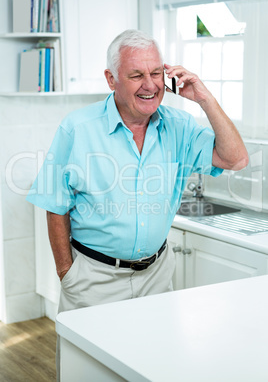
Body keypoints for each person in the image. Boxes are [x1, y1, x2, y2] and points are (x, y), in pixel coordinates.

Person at [27, 29, 248, 313]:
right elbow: (54, 205)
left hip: (157, 277)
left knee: (154, 357)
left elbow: (235, 160)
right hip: (93, 281)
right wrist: (67, 273)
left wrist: (205, 99)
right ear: (111, 79)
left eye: (156, 73)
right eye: (136, 76)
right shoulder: (77, 128)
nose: (150, 85)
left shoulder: (180, 126)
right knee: (86, 358)